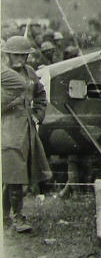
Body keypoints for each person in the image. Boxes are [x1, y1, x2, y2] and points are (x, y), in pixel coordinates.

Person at [1, 36, 52, 232]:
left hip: (27, 129)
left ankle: (5, 216)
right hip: (6, 129)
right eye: (15, 55)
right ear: (7, 55)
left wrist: (38, 114)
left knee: (16, 172)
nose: (19, 60)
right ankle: (18, 217)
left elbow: (40, 94)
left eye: (23, 55)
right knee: (14, 172)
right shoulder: (3, 75)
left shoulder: (30, 73)